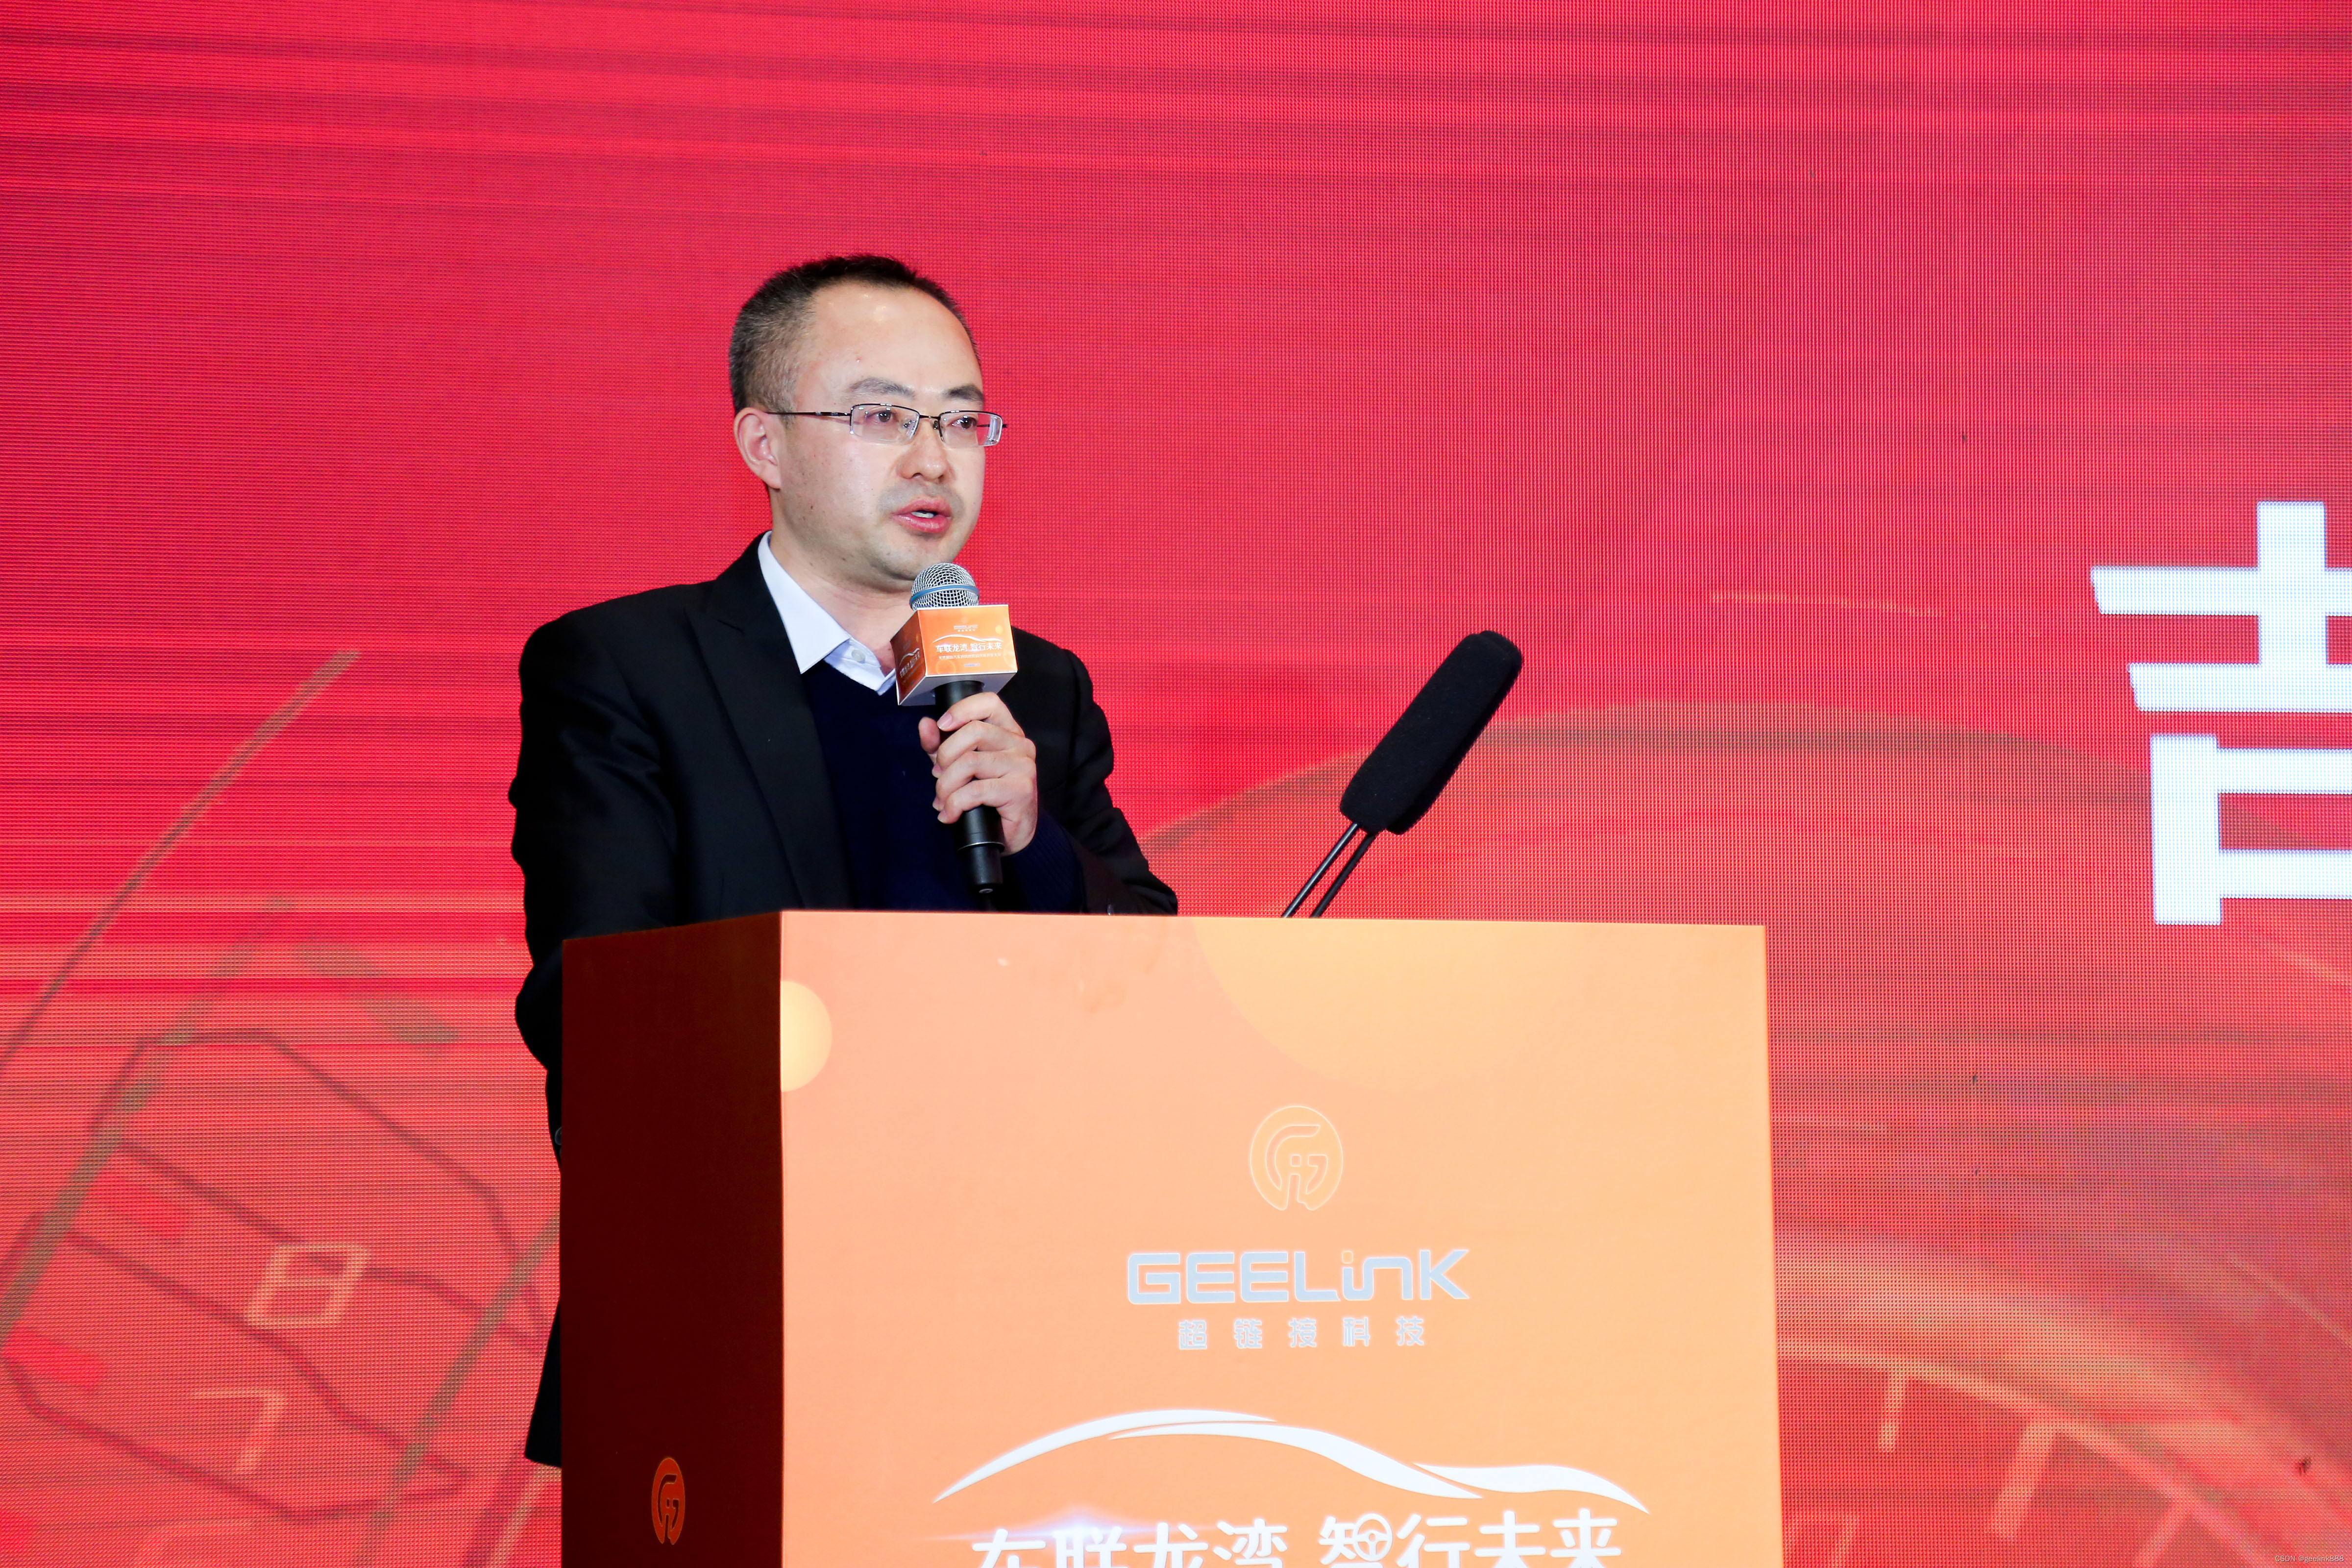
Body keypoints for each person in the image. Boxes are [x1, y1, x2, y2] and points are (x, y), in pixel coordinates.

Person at [508, 254, 1175, 1466]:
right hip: (738, 1317)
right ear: (763, 443)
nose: (933, 460)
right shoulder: (628, 669)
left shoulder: (1037, 686)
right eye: (882, 418)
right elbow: (596, 1003)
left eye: (962, 421)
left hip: (1025, 1326)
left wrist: (1035, 845)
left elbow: (1152, 979)